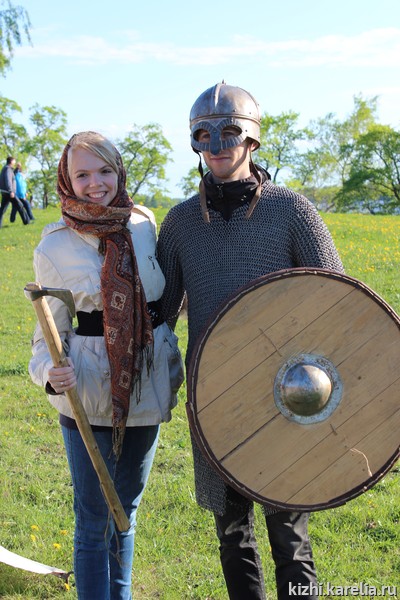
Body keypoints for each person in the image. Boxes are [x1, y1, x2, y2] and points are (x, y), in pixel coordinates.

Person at [157, 82, 345, 600]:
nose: (217, 146)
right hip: (214, 392)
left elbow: (338, 303)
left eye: (230, 133)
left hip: (287, 390)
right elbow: (160, 311)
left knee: (290, 535)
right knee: (232, 531)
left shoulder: (292, 212)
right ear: (195, 142)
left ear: (253, 140)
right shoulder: (181, 223)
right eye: (204, 136)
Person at [29, 131, 183, 600]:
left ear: (119, 172)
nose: (95, 183)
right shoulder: (53, 247)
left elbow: (164, 297)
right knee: (94, 517)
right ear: (67, 179)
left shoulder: (143, 223)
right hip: (89, 391)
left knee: (126, 512)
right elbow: (47, 334)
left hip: (146, 383)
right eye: (82, 174)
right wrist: (49, 373)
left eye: (104, 171)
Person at [0, 156, 29, 227]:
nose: (15, 162)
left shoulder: (6, 168)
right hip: (9, 192)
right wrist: (11, 191)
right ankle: (27, 222)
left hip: (5, 192)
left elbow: (12, 174)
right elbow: (8, 180)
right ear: (11, 161)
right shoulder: (8, 169)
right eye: (14, 161)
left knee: (2, 210)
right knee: (20, 206)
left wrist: (17, 168)